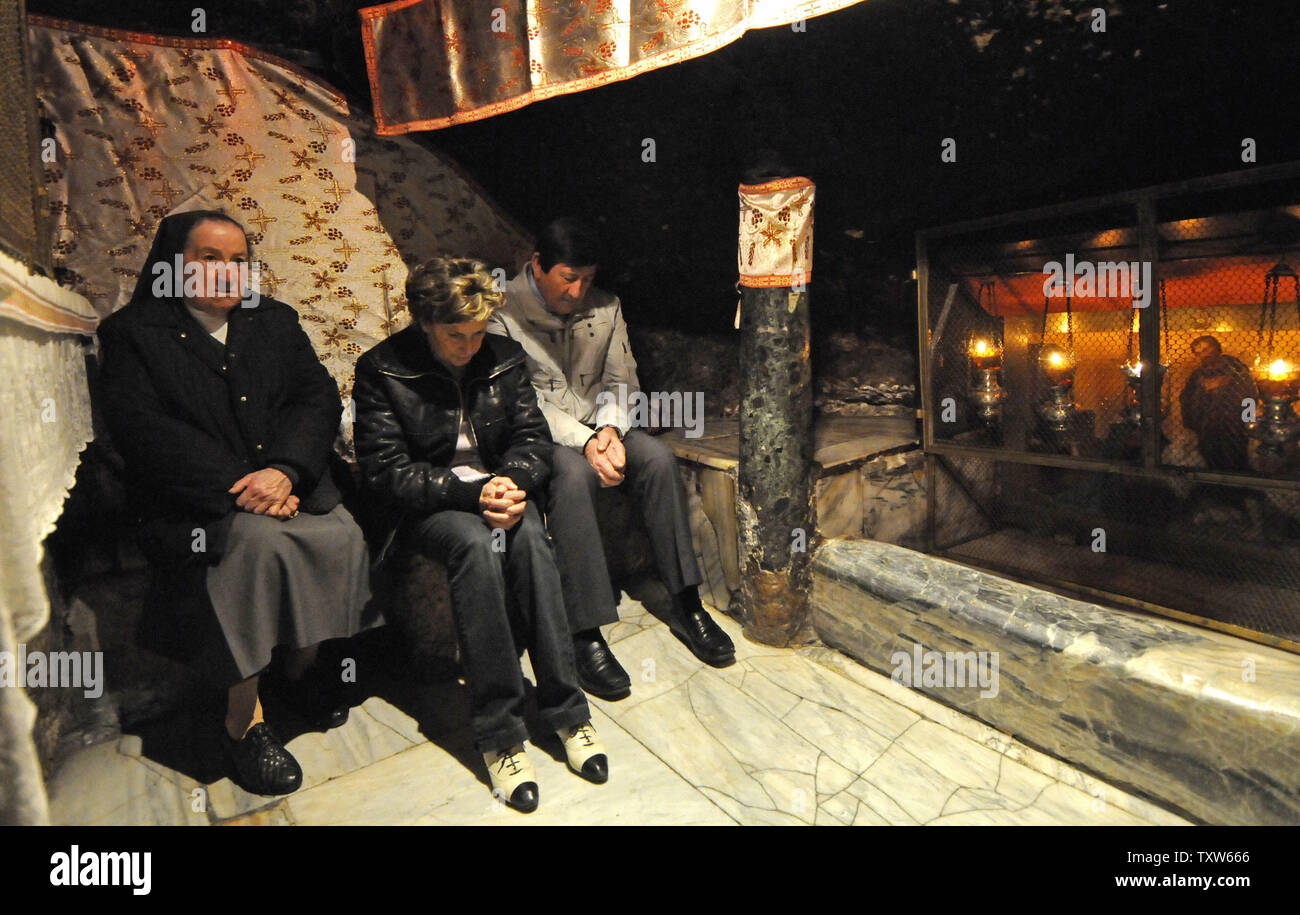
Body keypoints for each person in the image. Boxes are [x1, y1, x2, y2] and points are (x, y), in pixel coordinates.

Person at [96, 210, 370, 796]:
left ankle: (298, 671)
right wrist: (242, 485)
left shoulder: (272, 321)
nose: (227, 272)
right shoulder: (133, 335)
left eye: (238, 260)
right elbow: (144, 432)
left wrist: (287, 470)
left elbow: (315, 397)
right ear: (174, 265)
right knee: (256, 546)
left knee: (340, 534)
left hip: (288, 487)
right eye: (209, 258)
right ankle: (243, 719)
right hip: (196, 504)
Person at [352, 256, 607, 813]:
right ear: (424, 322)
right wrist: (473, 494)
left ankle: (568, 713)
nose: (468, 346)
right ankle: (501, 735)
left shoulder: (503, 356)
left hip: (497, 493)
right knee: (472, 543)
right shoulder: (382, 369)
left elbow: (532, 439)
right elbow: (385, 471)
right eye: (455, 335)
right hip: (430, 503)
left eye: (476, 332)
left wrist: (512, 483)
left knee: (531, 536)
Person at [488, 218, 734, 702]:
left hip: (604, 427)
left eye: (587, 278)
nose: (578, 290)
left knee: (659, 460)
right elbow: (524, 400)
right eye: (568, 277)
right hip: (543, 436)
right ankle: (586, 633)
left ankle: (686, 603)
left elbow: (623, 377)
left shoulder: (608, 305)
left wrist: (609, 430)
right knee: (573, 476)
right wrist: (586, 443)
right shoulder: (501, 312)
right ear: (537, 264)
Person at [1179, 335, 1257, 473]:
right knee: (1211, 458)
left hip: (1233, 424)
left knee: (1235, 459)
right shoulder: (1198, 374)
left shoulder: (1237, 369)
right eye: (1199, 352)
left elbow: (1250, 396)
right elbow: (1186, 397)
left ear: (1217, 348)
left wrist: (1248, 421)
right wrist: (1191, 422)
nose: (1204, 354)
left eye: (1207, 349)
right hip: (1207, 426)